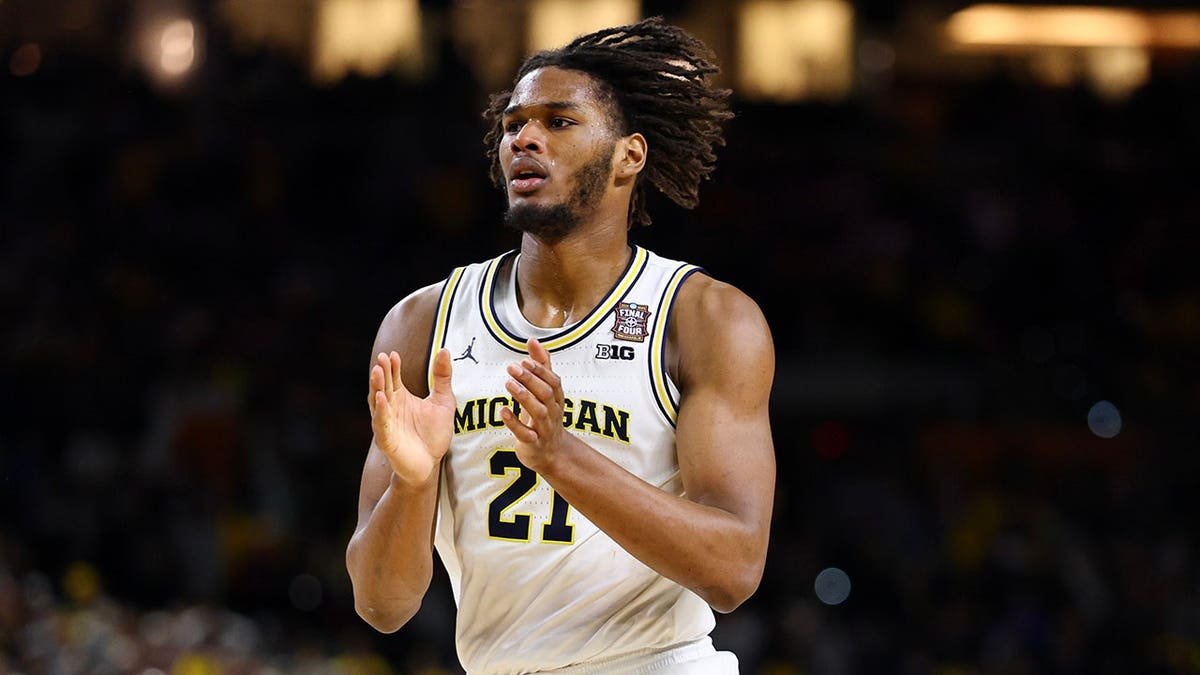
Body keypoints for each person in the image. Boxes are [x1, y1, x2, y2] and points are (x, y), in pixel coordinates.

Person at [346, 17, 775, 674]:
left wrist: (561, 456)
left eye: (558, 121)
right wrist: (412, 482)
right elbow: (382, 603)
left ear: (630, 155)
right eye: (513, 124)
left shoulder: (705, 318)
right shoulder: (424, 322)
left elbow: (736, 568)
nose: (524, 138)